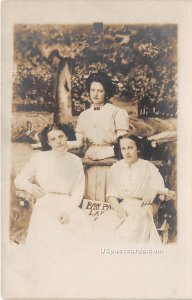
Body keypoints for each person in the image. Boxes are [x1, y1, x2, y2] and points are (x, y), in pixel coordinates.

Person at [14, 123, 91, 247]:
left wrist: (68, 211)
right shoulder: (40, 158)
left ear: (66, 137)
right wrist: (31, 187)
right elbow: (19, 180)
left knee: (79, 238)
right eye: (53, 139)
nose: (58, 142)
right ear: (49, 143)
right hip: (45, 203)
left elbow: (78, 189)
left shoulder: (75, 160)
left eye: (61, 137)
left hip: (68, 204)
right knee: (47, 240)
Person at [94, 134, 174, 243]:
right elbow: (111, 195)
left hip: (144, 207)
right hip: (123, 206)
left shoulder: (148, 167)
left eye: (130, 148)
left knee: (135, 224)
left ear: (138, 149)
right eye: (123, 148)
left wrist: (154, 190)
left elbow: (163, 190)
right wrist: (119, 210)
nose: (127, 152)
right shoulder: (115, 168)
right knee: (104, 223)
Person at [68, 72, 129, 202]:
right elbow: (79, 143)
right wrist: (61, 144)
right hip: (89, 162)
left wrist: (101, 155)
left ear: (106, 92)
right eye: (92, 90)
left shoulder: (117, 113)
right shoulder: (84, 115)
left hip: (110, 160)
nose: (95, 94)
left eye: (100, 91)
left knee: (107, 198)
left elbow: (123, 145)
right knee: (89, 198)